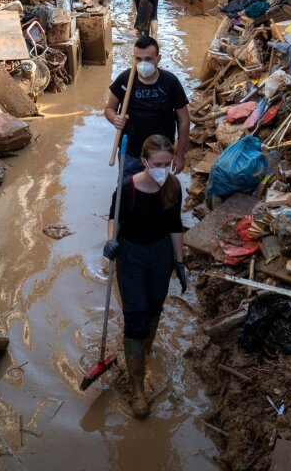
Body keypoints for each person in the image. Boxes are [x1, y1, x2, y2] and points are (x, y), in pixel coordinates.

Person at [103, 134, 188, 419]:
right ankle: (137, 389)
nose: (163, 168)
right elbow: (113, 217)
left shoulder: (173, 187)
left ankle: (144, 350)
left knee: (154, 308)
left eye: (167, 163)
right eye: (157, 163)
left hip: (160, 254)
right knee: (136, 315)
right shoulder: (129, 188)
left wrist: (179, 261)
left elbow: (175, 225)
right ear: (144, 162)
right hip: (132, 256)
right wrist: (110, 241)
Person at [105, 35, 190, 179]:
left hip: (160, 156)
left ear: (158, 58)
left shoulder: (170, 82)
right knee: (128, 193)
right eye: (138, 59)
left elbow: (184, 120)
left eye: (148, 59)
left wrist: (180, 155)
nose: (143, 63)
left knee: (157, 193)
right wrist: (115, 119)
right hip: (131, 152)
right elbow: (109, 109)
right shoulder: (125, 79)